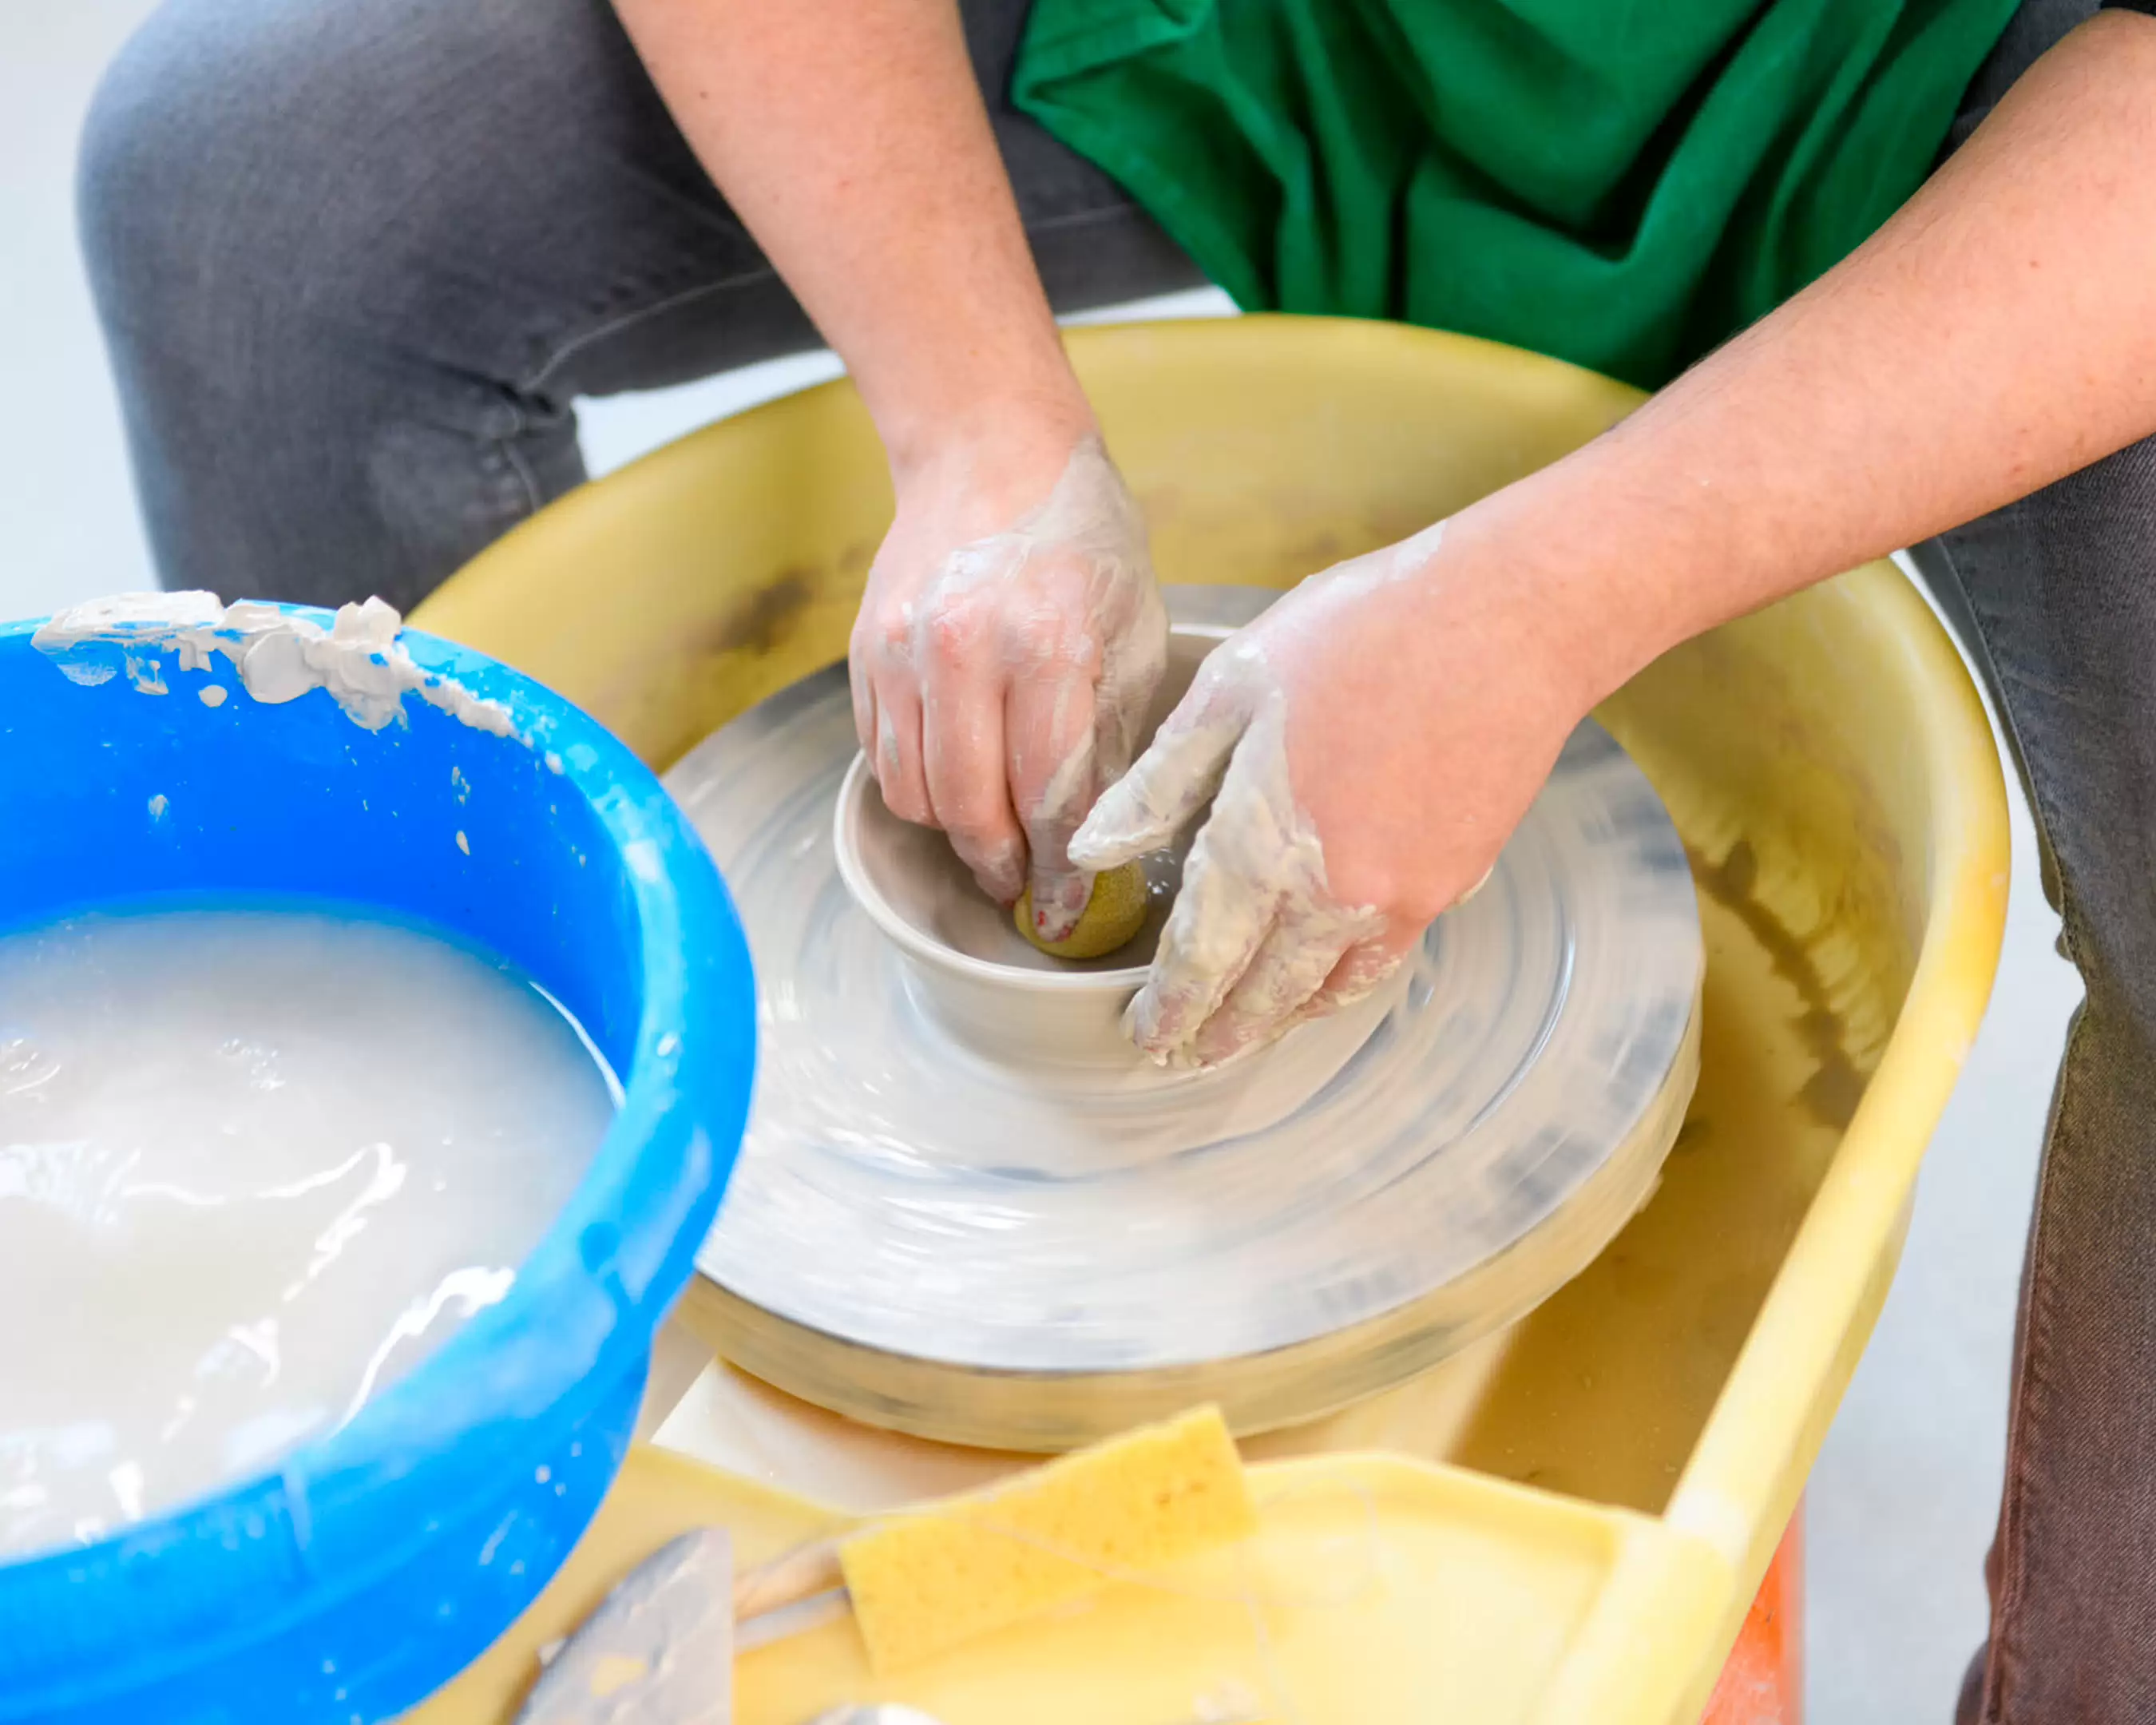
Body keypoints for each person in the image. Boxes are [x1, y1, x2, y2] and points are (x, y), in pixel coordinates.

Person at [70, 0, 2156, 1714]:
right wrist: (974, 430)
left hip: (1967, 79)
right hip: (1276, 29)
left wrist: (1538, 596)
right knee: (255, 194)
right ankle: (490, 1465)